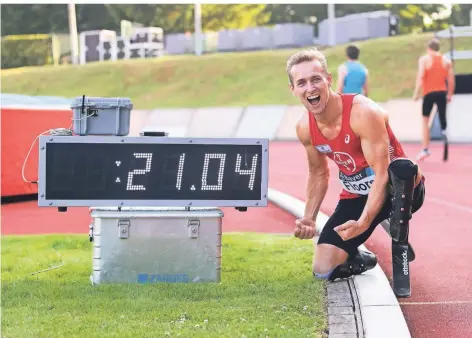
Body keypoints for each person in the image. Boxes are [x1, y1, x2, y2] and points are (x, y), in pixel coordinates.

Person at [286, 48, 426, 281]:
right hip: (357, 192)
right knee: (323, 269)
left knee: (400, 171)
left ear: (329, 80)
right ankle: (359, 257)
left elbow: (381, 173)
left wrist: (364, 222)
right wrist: (309, 218)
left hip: (399, 189)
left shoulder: (363, 113)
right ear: (293, 90)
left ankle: (390, 220)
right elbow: (319, 173)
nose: (310, 88)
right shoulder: (304, 128)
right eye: (301, 83)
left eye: (316, 79)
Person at [413, 38, 455, 161]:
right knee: (442, 117)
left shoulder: (425, 59)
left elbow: (421, 76)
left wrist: (416, 93)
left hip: (429, 93)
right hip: (442, 92)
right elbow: (451, 79)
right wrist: (450, 94)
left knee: (425, 120)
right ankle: (444, 131)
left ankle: (425, 149)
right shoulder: (446, 60)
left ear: (428, 48)